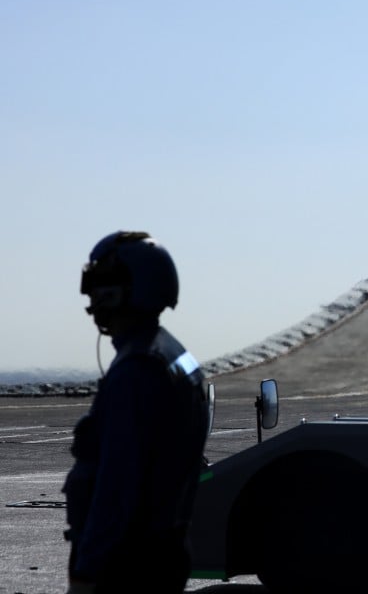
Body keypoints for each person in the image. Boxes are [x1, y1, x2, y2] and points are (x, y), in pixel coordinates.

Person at [64, 231, 209, 594]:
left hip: (128, 563)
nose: (92, 297)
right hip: (163, 549)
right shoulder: (175, 355)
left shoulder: (137, 370)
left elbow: (117, 484)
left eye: (100, 285)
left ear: (126, 289)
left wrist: (87, 570)